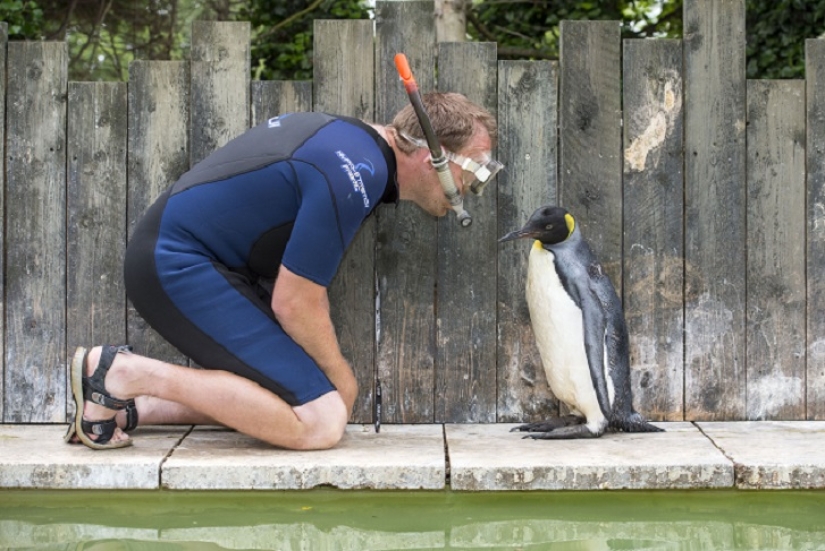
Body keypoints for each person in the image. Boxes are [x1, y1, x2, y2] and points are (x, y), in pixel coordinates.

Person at [65, 92, 500, 451]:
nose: (472, 190)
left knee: (279, 402)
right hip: (175, 264)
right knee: (322, 421)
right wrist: (341, 377)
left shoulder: (355, 147)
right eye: (475, 171)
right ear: (433, 157)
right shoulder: (356, 173)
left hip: (197, 263)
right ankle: (119, 372)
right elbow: (296, 301)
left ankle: (130, 404)